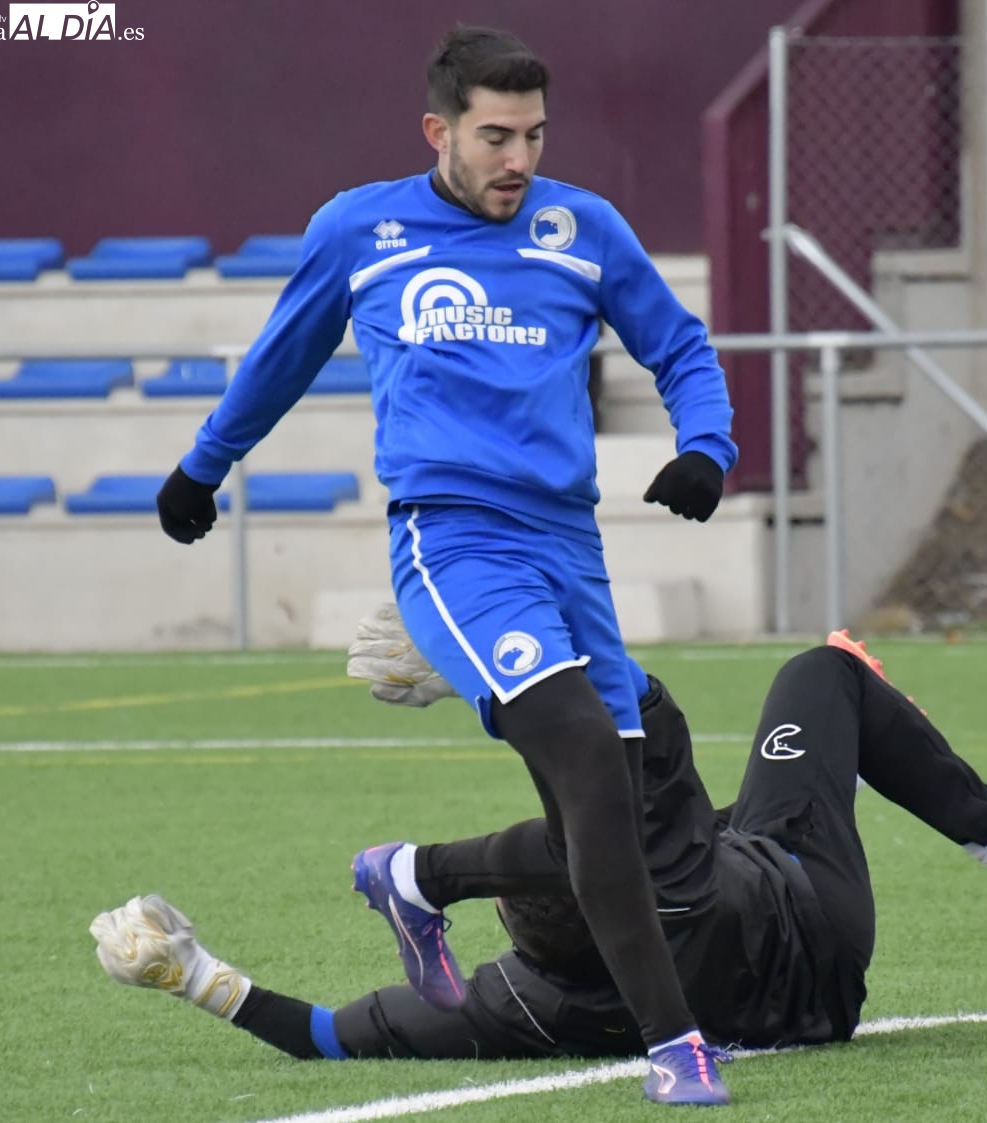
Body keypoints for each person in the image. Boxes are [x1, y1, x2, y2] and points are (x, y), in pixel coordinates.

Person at [149, 26, 738, 1105]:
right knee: (590, 769)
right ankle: (677, 1044)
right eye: (496, 136)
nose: (519, 159)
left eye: (535, 136)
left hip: (570, 548)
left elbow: (681, 348)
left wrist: (704, 445)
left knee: (608, 815)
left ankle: (410, 879)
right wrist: (202, 466)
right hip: (453, 539)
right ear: (441, 131)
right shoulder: (361, 229)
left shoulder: (582, 228)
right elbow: (281, 357)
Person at [92, 628, 987, 1090]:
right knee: (823, 673)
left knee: (772, 756)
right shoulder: (664, 867)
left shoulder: (523, 1005)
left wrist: (193, 978)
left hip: (793, 987)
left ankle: (416, 876)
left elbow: (325, 1037)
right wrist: (473, 654)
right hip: (802, 899)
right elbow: (618, 695)